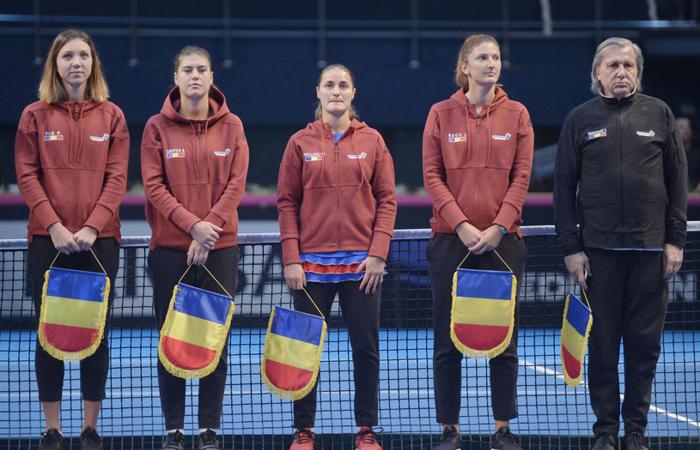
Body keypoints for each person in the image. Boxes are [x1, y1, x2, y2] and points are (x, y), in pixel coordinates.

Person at [554, 37, 687, 450]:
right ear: (597, 73)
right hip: (598, 255)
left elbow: (677, 181)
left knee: (644, 349)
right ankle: (606, 432)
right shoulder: (579, 119)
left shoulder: (660, 114)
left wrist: (675, 240)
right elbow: (563, 188)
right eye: (612, 65)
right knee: (603, 347)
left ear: (638, 72)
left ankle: (636, 432)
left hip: (650, 254)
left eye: (628, 65)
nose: (621, 72)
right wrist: (571, 248)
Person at [14, 29, 129, 450]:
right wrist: (55, 226)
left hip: (100, 242)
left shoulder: (112, 116)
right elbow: (27, 175)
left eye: (83, 55)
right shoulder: (34, 116)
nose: (76, 62)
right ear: (55, 64)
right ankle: (53, 429)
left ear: (93, 63)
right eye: (67, 56)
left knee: (96, 336)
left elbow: (117, 178)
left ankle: (89, 429)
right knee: (49, 336)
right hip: (49, 241)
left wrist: (93, 227)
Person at [277, 63, 397, 450]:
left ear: (353, 93)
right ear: (318, 91)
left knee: (366, 349)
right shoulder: (299, 142)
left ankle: (366, 429)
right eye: (329, 84)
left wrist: (378, 254)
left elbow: (387, 200)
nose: (336, 91)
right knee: (303, 349)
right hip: (310, 268)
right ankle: (304, 430)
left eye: (343, 85)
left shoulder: (373, 141)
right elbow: (287, 202)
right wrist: (291, 258)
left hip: (362, 267)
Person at [422, 34, 534, 450]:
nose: (491, 63)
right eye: (483, 57)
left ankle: (502, 428)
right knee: (447, 339)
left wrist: (499, 227)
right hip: (451, 242)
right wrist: (462, 225)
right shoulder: (440, 113)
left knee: (504, 339)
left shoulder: (518, 114)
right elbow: (432, 176)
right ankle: (449, 428)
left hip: (503, 243)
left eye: (496, 57)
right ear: (465, 66)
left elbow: (522, 177)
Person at [141, 45, 249, 450]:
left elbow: (236, 183)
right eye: (187, 69)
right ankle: (174, 429)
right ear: (176, 77)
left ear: (211, 76)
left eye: (201, 69)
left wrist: (209, 230)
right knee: (170, 338)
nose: (195, 76)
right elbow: (154, 186)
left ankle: (208, 429)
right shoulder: (156, 127)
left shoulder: (233, 126)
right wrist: (193, 227)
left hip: (220, 248)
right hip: (170, 249)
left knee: (214, 339)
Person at [676, 115, 700, 191]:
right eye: (681, 127)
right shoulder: (666, 154)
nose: (686, 130)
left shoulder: (698, 154)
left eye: (688, 127)